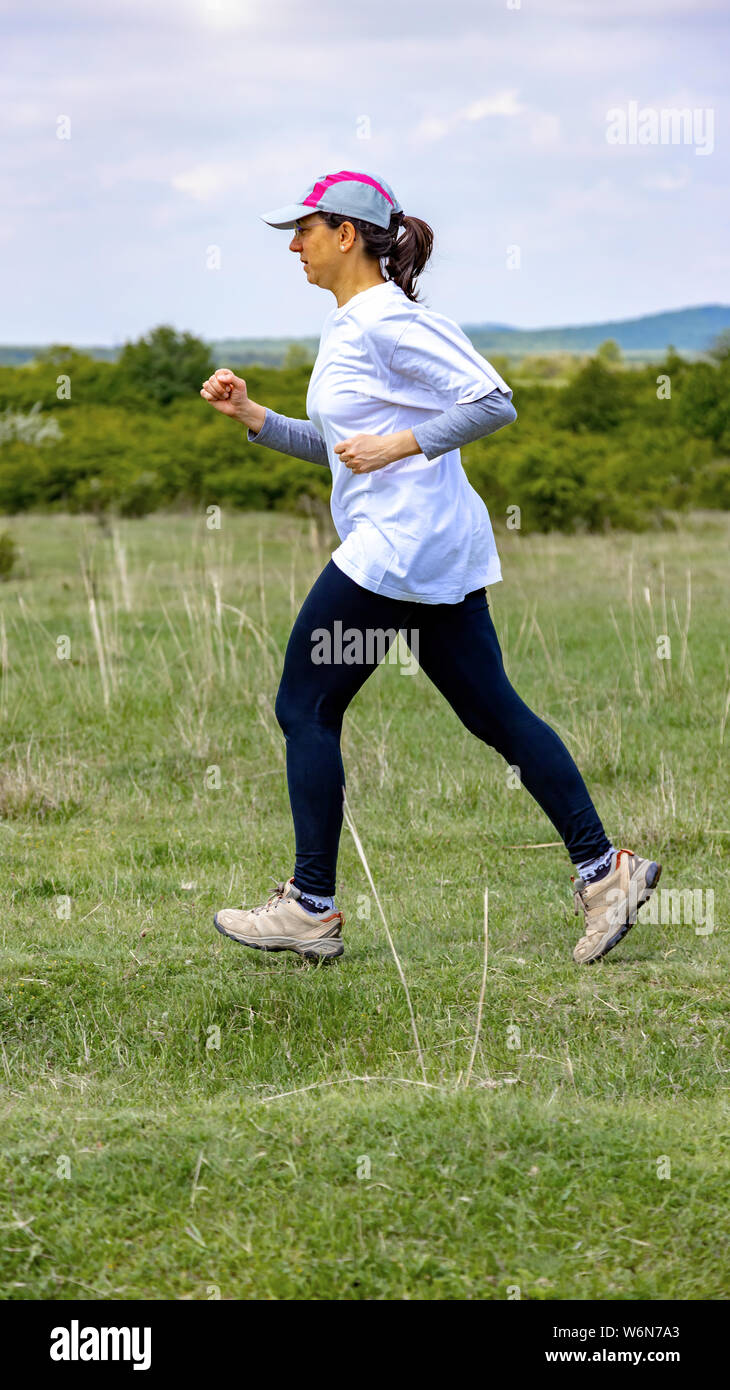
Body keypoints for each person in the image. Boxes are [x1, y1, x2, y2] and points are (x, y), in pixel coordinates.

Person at [200, 168, 661, 966]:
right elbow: (346, 453)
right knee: (495, 715)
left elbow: (494, 401)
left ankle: (310, 907)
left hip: (398, 549)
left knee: (304, 704)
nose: (293, 246)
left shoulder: (387, 320)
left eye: (304, 230)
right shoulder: (350, 325)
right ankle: (606, 870)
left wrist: (398, 444)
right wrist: (255, 419)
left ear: (347, 234)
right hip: (426, 551)